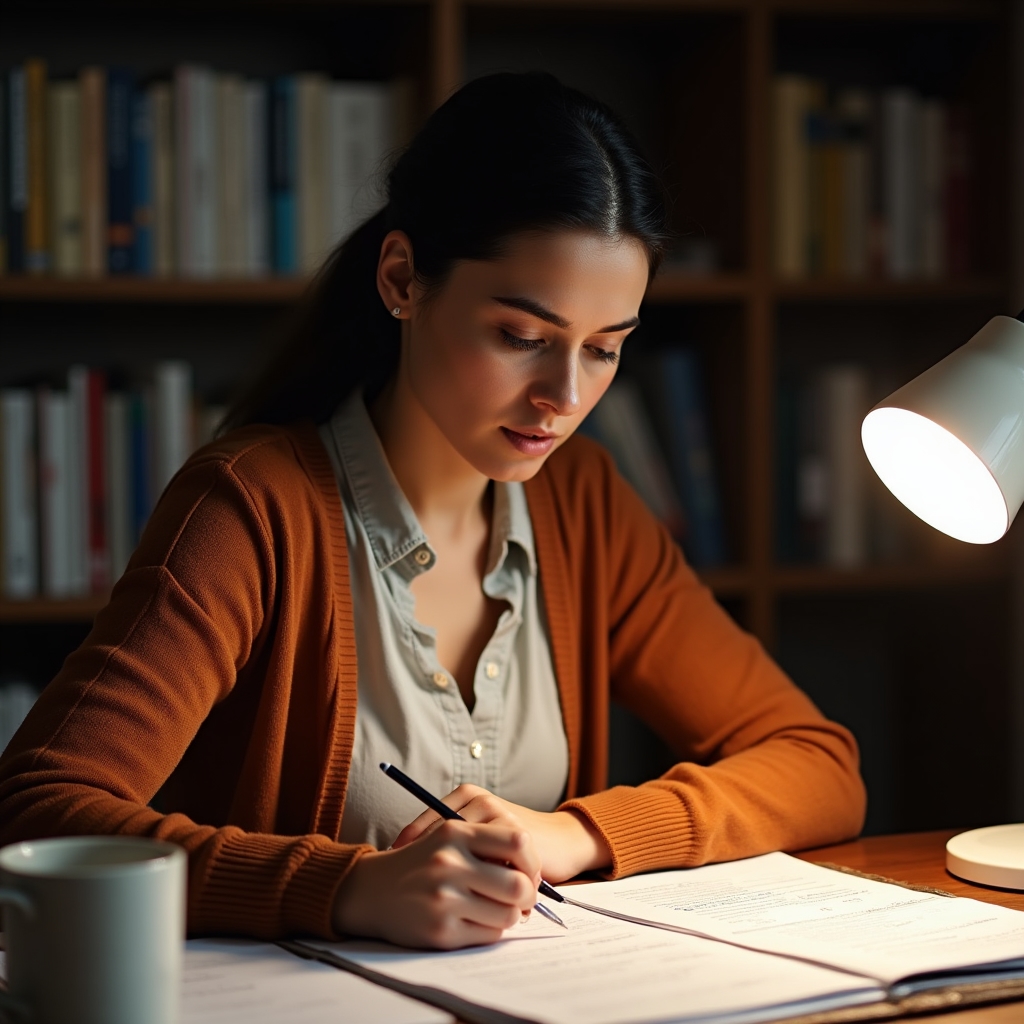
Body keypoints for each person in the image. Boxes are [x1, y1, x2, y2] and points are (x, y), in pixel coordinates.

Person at [0, 73, 865, 950]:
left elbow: (818, 763)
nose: (563, 397)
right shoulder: (254, 508)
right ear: (404, 278)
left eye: (604, 350)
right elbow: (37, 816)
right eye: (522, 338)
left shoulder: (583, 504)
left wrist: (570, 834)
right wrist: (349, 887)